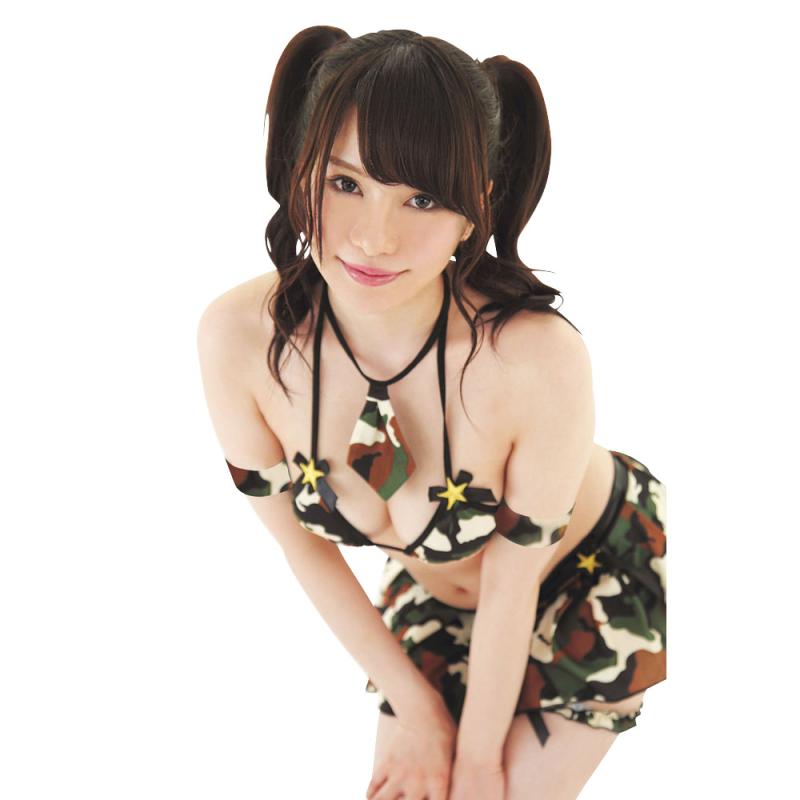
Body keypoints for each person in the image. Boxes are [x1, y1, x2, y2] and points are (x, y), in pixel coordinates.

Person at [197, 26, 667, 800]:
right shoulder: (237, 340)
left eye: (422, 197)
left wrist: (475, 763)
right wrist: (418, 711)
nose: (374, 238)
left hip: (590, 576)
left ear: (477, 207)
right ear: (297, 168)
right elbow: (301, 548)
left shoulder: (534, 360)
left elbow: (514, 580)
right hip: (432, 597)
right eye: (344, 182)